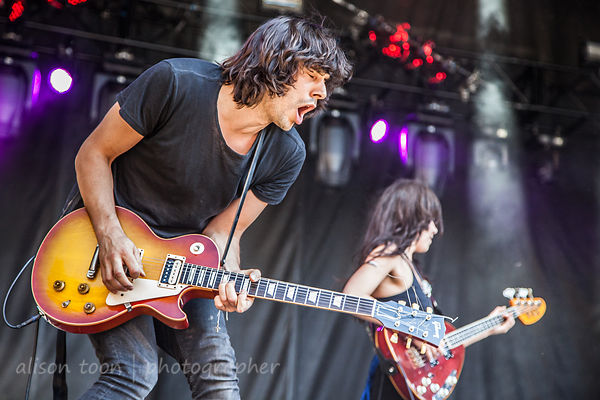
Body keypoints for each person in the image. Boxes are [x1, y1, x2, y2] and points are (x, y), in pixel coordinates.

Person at [69, 15, 352, 399]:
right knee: (133, 374)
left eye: (327, 85)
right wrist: (110, 236)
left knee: (219, 382)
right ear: (280, 62)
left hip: (185, 266)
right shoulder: (175, 82)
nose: (322, 93)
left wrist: (229, 274)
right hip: (105, 247)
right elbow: (93, 154)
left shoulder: (286, 153)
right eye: (315, 76)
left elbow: (223, 231)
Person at [342, 179, 515, 400]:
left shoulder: (412, 267)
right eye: (430, 220)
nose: (435, 229)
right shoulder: (390, 253)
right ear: (410, 216)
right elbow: (350, 297)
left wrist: (490, 326)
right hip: (393, 384)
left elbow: (439, 345)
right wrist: (410, 330)